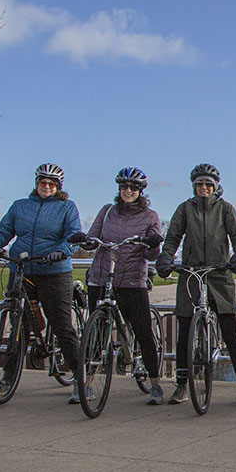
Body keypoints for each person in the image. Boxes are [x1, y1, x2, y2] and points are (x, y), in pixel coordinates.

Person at [0, 163, 83, 403]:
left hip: (53, 270)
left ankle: (81, 379)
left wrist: (62, 251)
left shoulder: (67, 207)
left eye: (52, 184)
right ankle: (7, 378)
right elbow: (3, 231)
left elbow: (74, 235)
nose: (47, 186)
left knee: (63, 326)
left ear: (59, 187)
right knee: (18, 328)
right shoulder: (20, 206)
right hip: (22, 269)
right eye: (43, 182)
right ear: (36, 183)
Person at [155, 164, 236, 406]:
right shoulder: (185, 209)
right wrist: (166, 256)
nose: (204, 188)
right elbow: (173, 237)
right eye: (200, 184)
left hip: (219, 273)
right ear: (194, 186)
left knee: (230, 332)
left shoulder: (225, 209)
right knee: (185, 331)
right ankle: (181, 385)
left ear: (216, 186)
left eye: (208, 184)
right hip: (191, 273)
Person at [79, 167, 165, 405]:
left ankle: (155, 384)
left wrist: (154, 243)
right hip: (101, 276)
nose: (128, 191)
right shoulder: (107, 212)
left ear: (141, 191)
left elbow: (152, 253)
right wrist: (83, 239)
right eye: (124, 187)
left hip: (131, 280)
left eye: (133, 188)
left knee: (143, 331)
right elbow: (92, 238)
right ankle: (85, 384)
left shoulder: (150, 216)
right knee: (94, 332)